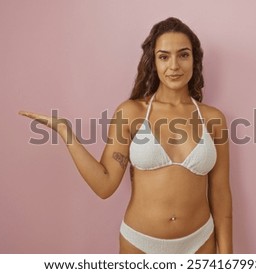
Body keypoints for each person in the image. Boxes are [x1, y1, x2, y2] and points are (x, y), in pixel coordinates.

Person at [19, 17, 233, 254]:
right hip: (140, 244)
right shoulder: (131, 112)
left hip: (200, 242)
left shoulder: (213, 119)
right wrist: (65, 132)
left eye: (183, 55)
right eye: (164, 56)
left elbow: (221, 193)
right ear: (153, 62)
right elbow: (105, 185)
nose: (174, 66)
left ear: (195, 60)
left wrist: (227, 261)